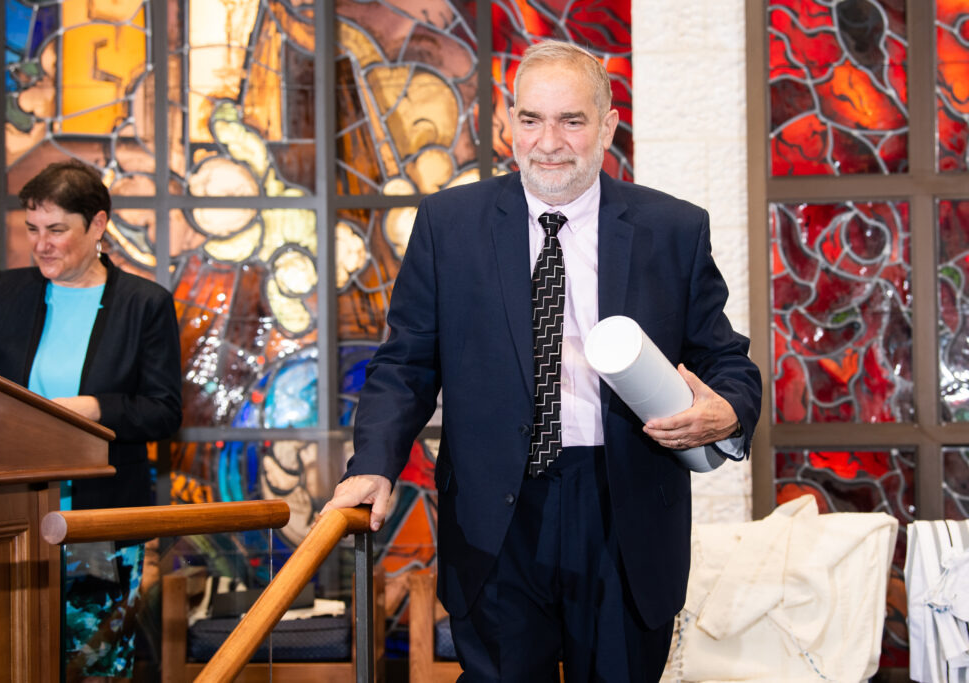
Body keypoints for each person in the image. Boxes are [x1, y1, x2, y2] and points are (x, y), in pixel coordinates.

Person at [322, 40, 761, 682]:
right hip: (494, 514)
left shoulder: (674, 229)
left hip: (626, 512)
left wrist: (726, 411)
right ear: (508, 124)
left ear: (608, 126)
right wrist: (375, 466)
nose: (548, 141)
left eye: (571, 120)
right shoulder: (450, 223)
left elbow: (728, 362)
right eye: (531, 120)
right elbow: (405, 364)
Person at [0, 159, 182, 680]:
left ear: (98, 225)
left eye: (57, 230)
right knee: (7, 661)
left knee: (92, 668)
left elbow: (164, 411)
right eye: (33, 230)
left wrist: (96, 407)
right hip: (4, 522)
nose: (42, 244)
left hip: (97, 525)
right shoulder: (7, 292)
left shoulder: (144, 305)